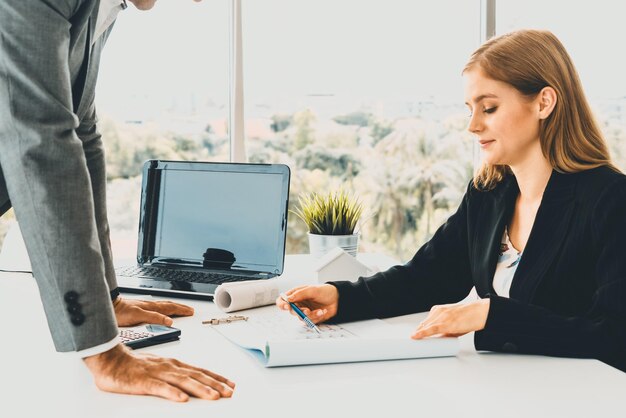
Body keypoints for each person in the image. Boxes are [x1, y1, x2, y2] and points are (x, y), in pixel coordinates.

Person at [277, 29, 626, 372]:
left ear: (543, 103)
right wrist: (342, 298)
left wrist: (490, 314)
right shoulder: (489, 194)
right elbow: (427, 276)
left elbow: (614, 335)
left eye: (488, 108)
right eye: (469, 109)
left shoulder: (610, 200)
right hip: (510, 387)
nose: (472, 125)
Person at [0, 0, 235, 401]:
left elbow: (81, 132)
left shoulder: (102, 9)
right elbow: (41, 145)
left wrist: (107, 299)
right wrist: (105, 354)